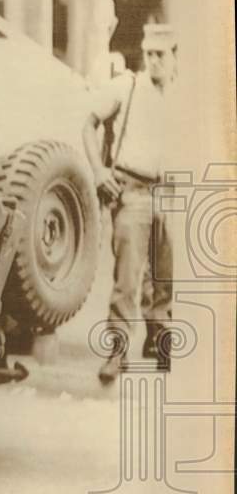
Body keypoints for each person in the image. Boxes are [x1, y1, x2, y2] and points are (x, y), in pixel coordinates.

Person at [83, 23, 177, 384]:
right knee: (127, 277)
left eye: (161, 55)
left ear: (174, 57)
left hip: (170, 192)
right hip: (132, 190)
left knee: (166, 275)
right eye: (149, 54)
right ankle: (117, 350)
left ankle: (159, 340)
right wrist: (98, 171)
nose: (154, 61)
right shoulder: (127, 86)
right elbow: (88, 123)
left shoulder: (184, 95)